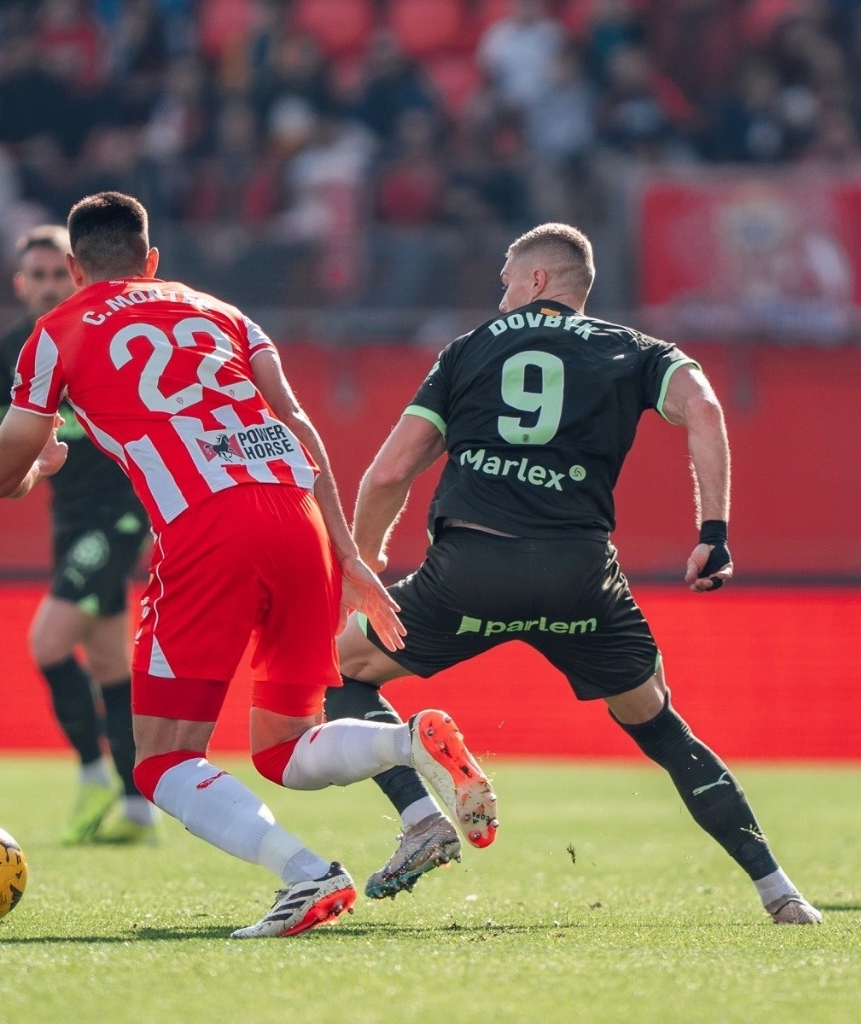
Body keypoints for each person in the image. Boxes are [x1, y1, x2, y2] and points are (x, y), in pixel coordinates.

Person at [0, 191, 497, 938]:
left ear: (72, 267)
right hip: (300, 520)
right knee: (284, 747)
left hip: (207, 529)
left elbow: (0, 475)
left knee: (160, 762)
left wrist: (43, 464)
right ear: (151, 259)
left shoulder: (56, 331)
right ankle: (406, 740)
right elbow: (298, 423)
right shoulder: (223, 313)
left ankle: (308, 876)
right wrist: (349, 554)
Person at [325, 222, 822, 926]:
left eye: (506, 280)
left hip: (470, 571)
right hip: (578, 578)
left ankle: (421, 817)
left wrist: (366, 564)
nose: (500, 294)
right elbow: (706, 410)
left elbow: (389, 473)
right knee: (661, 727)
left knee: (341, 669)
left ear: (535, 281)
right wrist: (713, 533)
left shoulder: (466, 352)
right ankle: (780, 892)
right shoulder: (640, 350)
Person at [0, 224, 156, 846]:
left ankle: (91, 774)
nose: (49, 285)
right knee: (112, 661)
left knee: (49, 643)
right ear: (21, 283)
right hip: (68, 517)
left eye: (60, 274)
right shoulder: (14, 345)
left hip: (121, 511)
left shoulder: (105, 331)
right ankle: (139, 807)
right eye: (38, 276)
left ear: (79, 273)